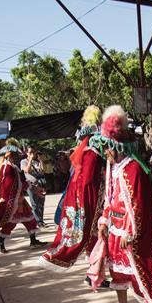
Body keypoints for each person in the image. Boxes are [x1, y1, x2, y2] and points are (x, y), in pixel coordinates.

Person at [91, 105, 152, 303]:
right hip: (114, 229)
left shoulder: (133, 169)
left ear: (115, 147)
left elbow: (138, 205)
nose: (105, 153)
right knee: (117, 272)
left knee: (139, 269)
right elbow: (109, 198)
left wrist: (130, 232)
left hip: (130, 232)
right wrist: (104, 221)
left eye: (106, 148)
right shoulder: (113, 168)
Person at [38, 106, 106, 272]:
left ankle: (94, 274)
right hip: (90, 199)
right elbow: (89, 181)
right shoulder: (92, 152)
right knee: (93, 233)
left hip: (85, 196)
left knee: (95, 236)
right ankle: (94, 274)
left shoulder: (86, 151)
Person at [0, 140, 45, 253]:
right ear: (10, 156)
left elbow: (21, 181)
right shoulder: (7, 168)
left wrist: (32, 187)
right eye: (15, 155)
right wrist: (26, 187)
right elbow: (9, 185)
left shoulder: (13, 167)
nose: (18, 157)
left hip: (18, 199)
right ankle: (0, 241)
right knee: (11, 222)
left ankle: (33, 240)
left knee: (29, 218)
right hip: (12, 200)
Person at [20, 147, 47, 227]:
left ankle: (41, 220)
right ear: (26, 153)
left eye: (33, 152)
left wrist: (41, 160)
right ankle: (37, 221)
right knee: (34, 203)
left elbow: (43, 170)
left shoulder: (36, 162)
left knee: (41, 202)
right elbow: (27, 170)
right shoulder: (23, 161)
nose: (32, 154)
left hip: (40, 184)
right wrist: (30, 160)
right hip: (31, 185)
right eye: (30, 152)